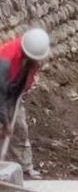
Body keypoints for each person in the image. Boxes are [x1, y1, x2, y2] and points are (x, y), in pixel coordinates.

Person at [1, 27, 50, 168]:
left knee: (19, 130)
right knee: (6, 129)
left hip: (12, 93)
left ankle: (22, 168)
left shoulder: (33, 53)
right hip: (2, 93)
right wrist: (5, 123)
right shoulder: (5, 61)